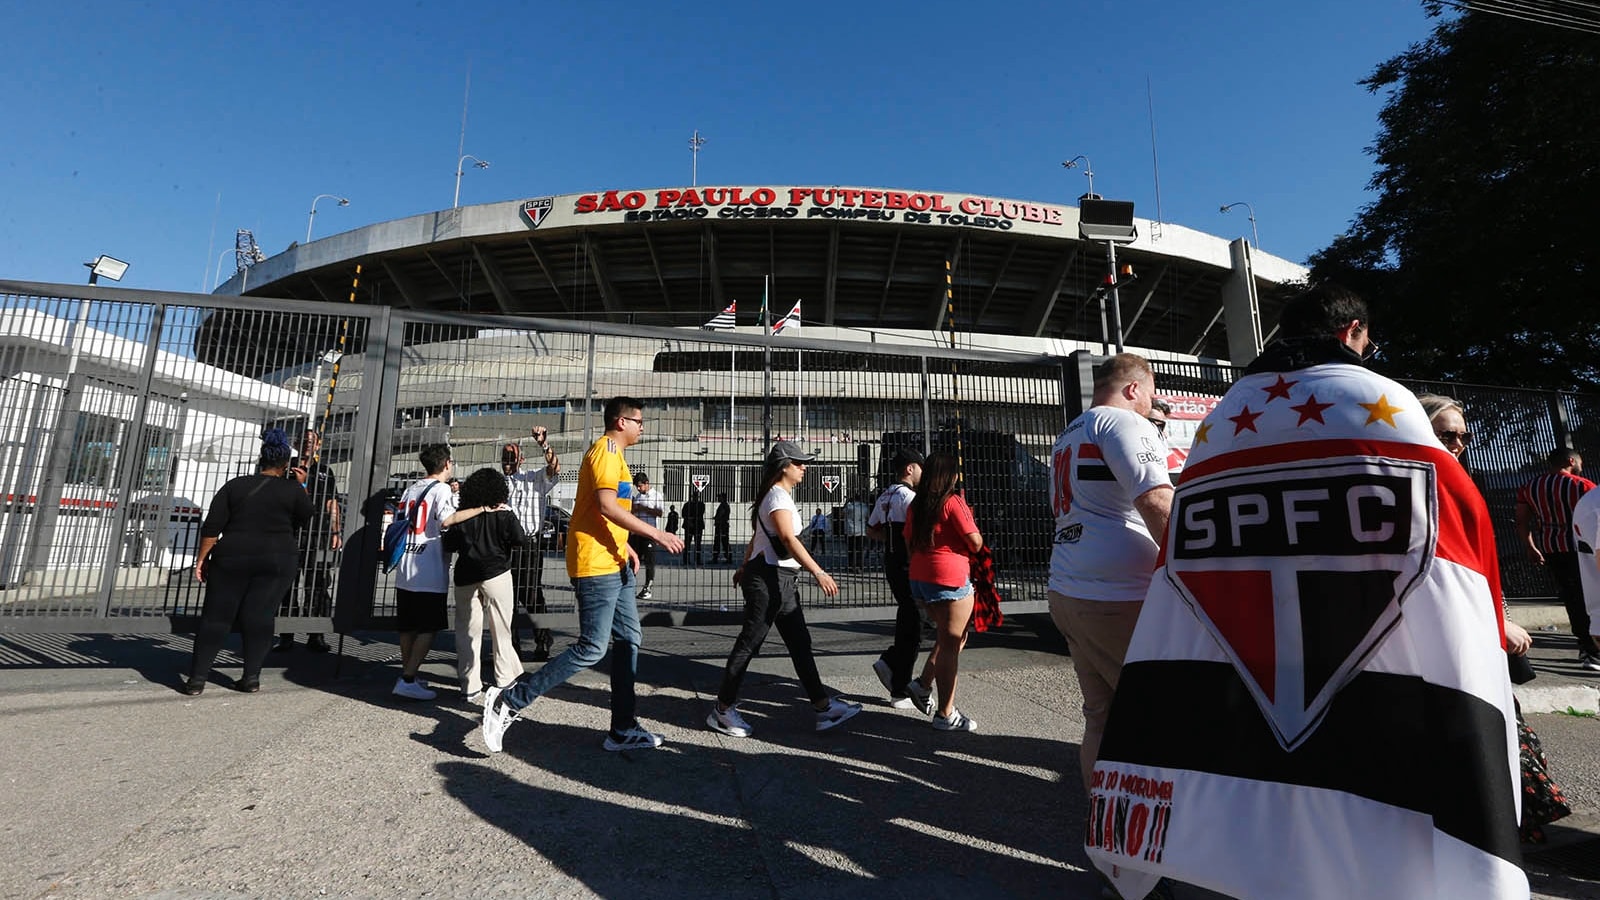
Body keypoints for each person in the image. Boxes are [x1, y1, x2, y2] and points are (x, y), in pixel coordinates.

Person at [1087, 284, 1526, 900]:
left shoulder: (1225, 420)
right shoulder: (1383, 402)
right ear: (1351, 334)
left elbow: (1183, 554)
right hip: (1378, 666)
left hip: (1248, 662)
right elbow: (1457, 529)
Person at [480, 396, 684, 753]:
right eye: (639, 421)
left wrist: (626, 547)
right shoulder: (606, 451)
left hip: (614, 562)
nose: (642, 427)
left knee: (629, 638)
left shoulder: (616, 456)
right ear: (622, 422)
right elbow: (606, 505)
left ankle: (622, 728)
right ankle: (511, 700)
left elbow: (601, 512)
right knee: (591, 647)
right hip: (595, 566)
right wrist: (656, 534)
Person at [1422, 394, 1568, 843]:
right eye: (1447, 434)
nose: (1459, 443)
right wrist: (1496, 621)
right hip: (1452, 633)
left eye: (1464, 435)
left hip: (1476, 628)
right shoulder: (1422, 480)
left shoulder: (1454, 477)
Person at [1047, 352, 1174, 794]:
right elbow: (1158, 503)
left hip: (1069, 583)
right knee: (1159, 715)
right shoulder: (1126, 423)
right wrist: (1192, 573)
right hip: (1115, 594)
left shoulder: (1070, 432)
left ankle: (1103, 820)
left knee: (1100, 715)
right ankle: (1151, 834)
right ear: (1134, 389)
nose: (1151, 406)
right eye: (1151, 395)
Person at [706, 441, 862, 738]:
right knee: (750, 642)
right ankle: (722, 711)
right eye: (798, 462)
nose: (804, 467)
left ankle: (823, 707)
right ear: (783, 467)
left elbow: (757, 538)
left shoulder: (778, 496)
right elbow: (789, 540)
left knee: (800, 643)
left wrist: (743, 565)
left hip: (779, 579)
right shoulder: (777, 496)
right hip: (769, 579)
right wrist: (818, 571)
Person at [183, 428, 314, 695]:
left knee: (216, 617)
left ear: (260, 460)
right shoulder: (292, 489)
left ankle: (197, 680)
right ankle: (250, 677)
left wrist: (201, 560)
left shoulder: (235, 486)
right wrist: (302, 485)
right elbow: (305, 516)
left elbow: (212, 527)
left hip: (232, 554)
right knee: (260, 616)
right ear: (286, 464)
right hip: (277, 557)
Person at [902, 451, 983, 732]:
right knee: (951, 644)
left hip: (920, 577)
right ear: (950, 476)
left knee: (952, 637)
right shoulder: (953, 501)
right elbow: (974, 542)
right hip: (950, 577)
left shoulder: (916, 505)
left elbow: (908, 542)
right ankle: (945, 713)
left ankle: (923, 685)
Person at [442, 468, 527, 702]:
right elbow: (520, 538)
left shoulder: (463, 515)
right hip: (497, 573)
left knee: (468, 631)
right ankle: (504, 679)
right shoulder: (504, 514)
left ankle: (470, 685)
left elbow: (449, 544)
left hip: (465, 576)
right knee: (501, 629)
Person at [1516, 447, 1598, 670]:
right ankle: (1594, 649)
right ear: (1571, 461)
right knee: (1591, 598)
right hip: (1584, 550)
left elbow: (1522, 521)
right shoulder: (1583, 486)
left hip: (1552, 548)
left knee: (1572, 598)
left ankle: (1586, 647)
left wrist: (1531, 547)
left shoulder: (1530, 487)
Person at [392, 444, 458, 701]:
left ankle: (407, 672)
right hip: (428, 567)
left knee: (408, 626)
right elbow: (446, 520)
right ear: (446, 464)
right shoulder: (441, 489)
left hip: (406, 562)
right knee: (428, 627)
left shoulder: (411, 488)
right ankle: (407, 679)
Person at [868, 447, 932, 713]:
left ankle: (892, 665)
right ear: (910, 469)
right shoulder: (909, 497)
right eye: (920, 468)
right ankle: (899, 684)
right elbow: (915, 535)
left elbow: (871, 529)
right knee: (916, 624)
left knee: (908, 618)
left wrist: (891, 541)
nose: (922, 474)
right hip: (908, 565)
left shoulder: (885, 494)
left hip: (892, 563)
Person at [275, 428, 340, 653]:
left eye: (312, 441)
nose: (308, 444)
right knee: (287, 584)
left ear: (319, 445)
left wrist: (335, 532)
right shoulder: (286, 467)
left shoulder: (325, 471)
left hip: (318, 535)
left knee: (319, 584)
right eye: (304, 440)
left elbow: (332, 503)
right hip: (291, 534)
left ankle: (316, 633)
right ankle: (286, 633)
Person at [502, 428, 560, 660]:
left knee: (532, 595)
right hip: (506, 547)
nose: (507, 462)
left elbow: (554, 468)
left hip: (529, 545)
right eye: (504, 457)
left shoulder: (534, 478)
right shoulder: (499, 484)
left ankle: (543, 640)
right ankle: (510, 647)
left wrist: (544, 444)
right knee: (507, 598)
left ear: (520, 459)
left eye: (511, 457)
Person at [629, 472, 664, 600]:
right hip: (636, 532)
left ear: (646, 483)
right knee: (633, 560)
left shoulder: (656, 496)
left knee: (649, 562)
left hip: (649, 534)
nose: (638, 489)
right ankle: (629, 586)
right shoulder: (638, 496)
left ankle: (647, 587)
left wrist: (643, 508)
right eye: (636, 487)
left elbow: (659, 512)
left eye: (640, 486)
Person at [843, 492, 869, 571]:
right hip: (862, 531)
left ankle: (851, 566)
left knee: (851, 550)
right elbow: (868, 517)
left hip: (850, 531)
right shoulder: (864, 507)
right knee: (860, 550)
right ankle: (860, 566)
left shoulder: (849, 506)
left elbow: (841, 514)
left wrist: (846, 502)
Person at [682, 492, 706, 565]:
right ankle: (694, 560)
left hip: (692, 526)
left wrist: (690, 520)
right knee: (694, 544)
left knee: (691, 544)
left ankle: (688, 560)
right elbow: (699, 513)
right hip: (696, 526)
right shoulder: (701, 505)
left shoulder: (688, 505)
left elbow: (684, 514)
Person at [712, 492, 733, 562]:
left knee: (721, 541)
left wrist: (716, 518)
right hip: (722, 525)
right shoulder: (724, 505)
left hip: (721, 525)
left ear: (723, 498)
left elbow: (721, 514)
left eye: (719, 497)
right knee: (724, 541)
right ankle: (728, 557)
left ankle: (718, 557)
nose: (718, 498)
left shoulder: (723, 505)